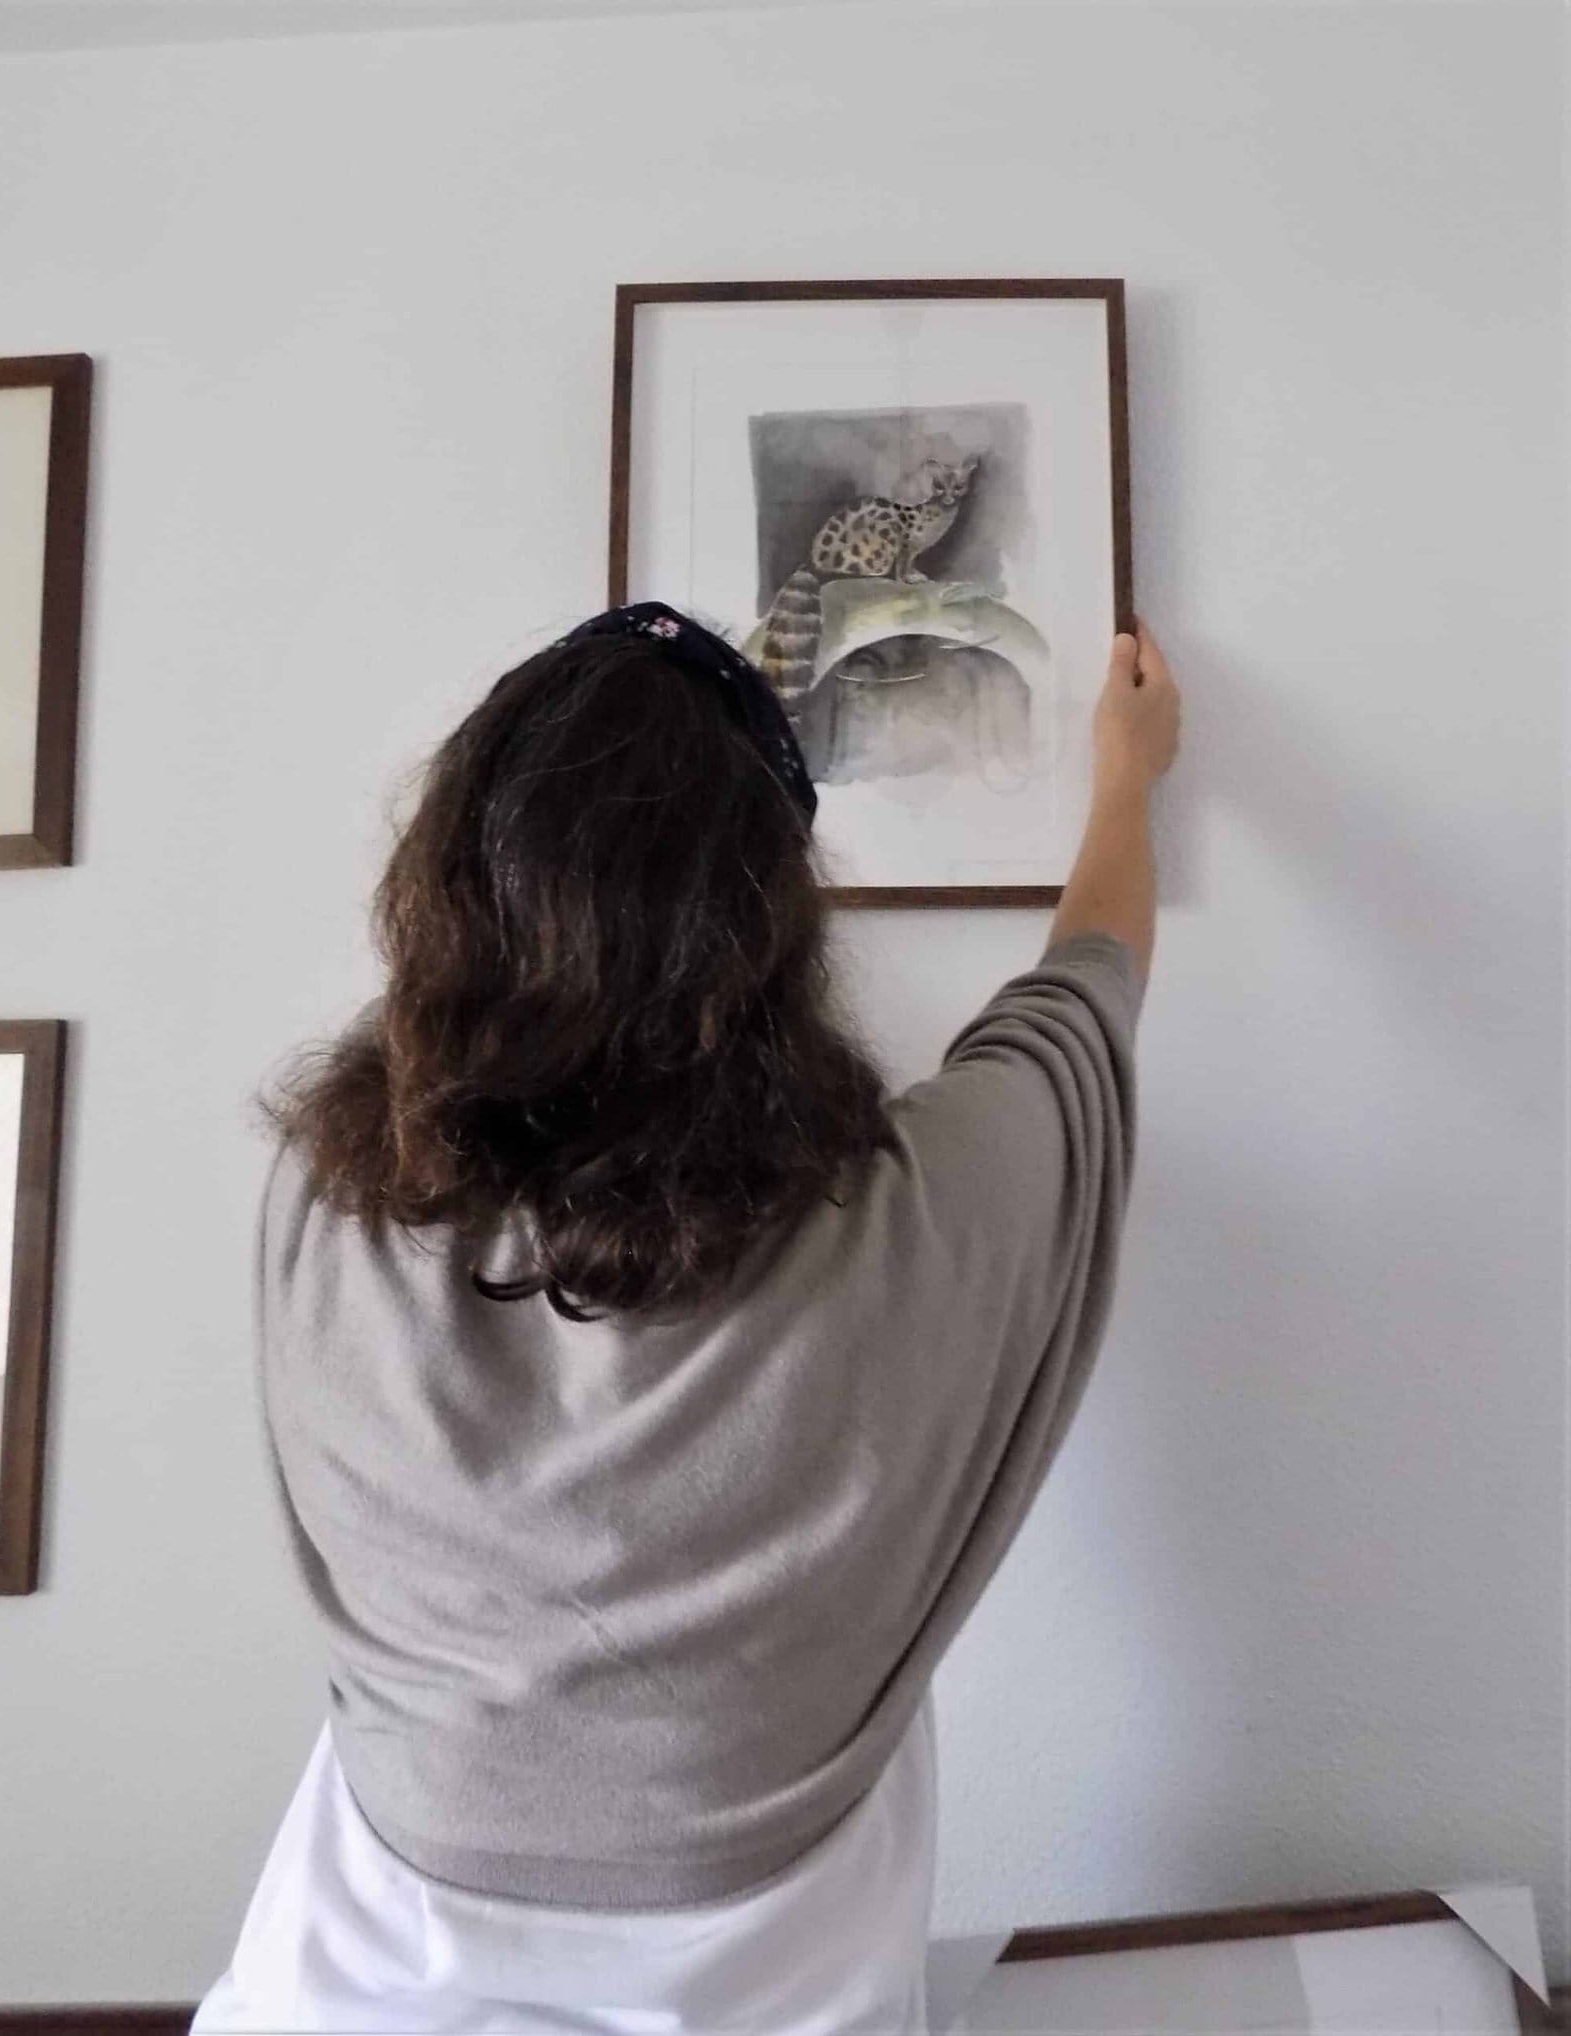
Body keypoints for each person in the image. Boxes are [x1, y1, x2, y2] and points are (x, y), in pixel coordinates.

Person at [191, 606, 1180, 2035]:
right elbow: (1087, 994)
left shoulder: (328, 1209)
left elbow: (441, 1056)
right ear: (777, 923)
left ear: (444, 887)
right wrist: (1123, 777)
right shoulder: (921, 1219)